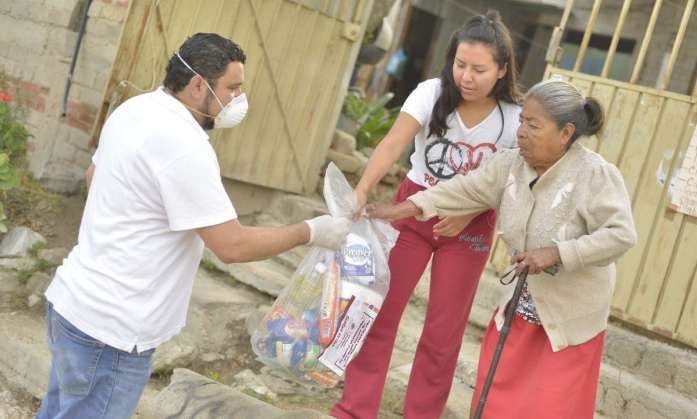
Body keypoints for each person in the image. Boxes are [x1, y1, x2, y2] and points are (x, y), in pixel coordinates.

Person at [36, 33, 351, 419]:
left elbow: (93, 177)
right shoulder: (185, 144)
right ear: (198, 84)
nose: (238, 100)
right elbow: (233, 246)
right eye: (232, 88)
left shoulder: (135, 109)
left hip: (73, 305)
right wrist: (312, 231)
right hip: (113, 332)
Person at [367, 79, 638, 418]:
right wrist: (398, 209)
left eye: (533, 125)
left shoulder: (595, 174)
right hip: (518, 309)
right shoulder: (509, 165)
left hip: (568, 321)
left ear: (566, 132)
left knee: (551, 407)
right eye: (522, 121)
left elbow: (620, 234)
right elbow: (461, 191)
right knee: (496, 400)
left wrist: (557, 253)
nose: (521, 132)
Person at [332, 11, 521, 419]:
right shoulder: (430, 93)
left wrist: (467, 211)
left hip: (471, 225)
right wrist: (363, 188)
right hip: (411, 210)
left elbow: (508, 183)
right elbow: (391, 143)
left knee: (442, 334)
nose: (466, 77)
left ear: (502, 71)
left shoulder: (514, 119)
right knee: (378, 312)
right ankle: (354, 409)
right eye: (460, 65)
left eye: (479, 69)